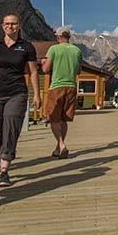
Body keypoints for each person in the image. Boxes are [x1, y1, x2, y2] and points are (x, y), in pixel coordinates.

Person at [0, 12, 41, 187]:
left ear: (19, 26)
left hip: (17, 93)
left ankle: (4, 171)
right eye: (6, 23)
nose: (10, 26)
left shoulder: (26, 47)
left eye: (13, 24)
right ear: (2, 26)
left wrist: (36, 94)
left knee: (11, 131)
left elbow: (33, 72)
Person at [40, 26, 82, 159]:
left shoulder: (53, 49)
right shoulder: (77, 50)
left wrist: (43, 62)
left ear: (58, 37)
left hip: (57, 86)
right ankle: (58, 148)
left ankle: (61, 144)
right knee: (64, 119)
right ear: (69, 37)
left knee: (53, 118)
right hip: (72, 87)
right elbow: (79, 71)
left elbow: (46, 69)